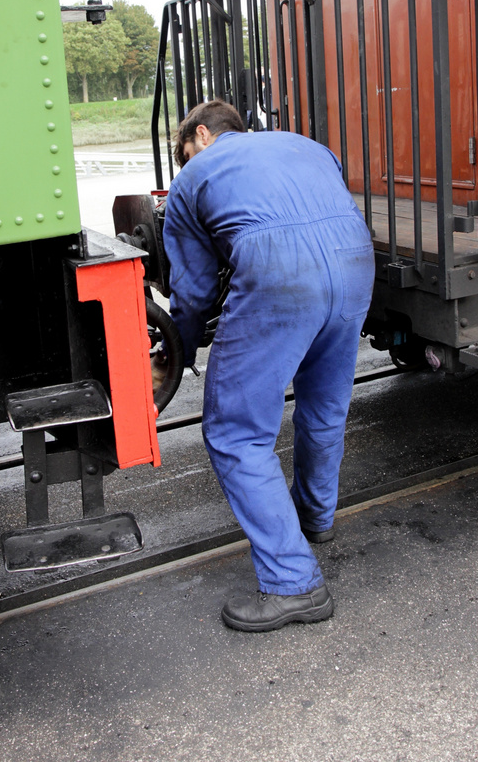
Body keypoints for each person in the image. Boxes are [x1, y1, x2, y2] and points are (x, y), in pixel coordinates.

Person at [159, 100, 374, 632]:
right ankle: (315, 519)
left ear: (202, 136)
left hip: (282, 277)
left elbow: (196, 289)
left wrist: (178, 351)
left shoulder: (194, 178)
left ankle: (292, 582)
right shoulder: (305, 144)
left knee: (236, 433)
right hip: (355, 265)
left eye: (186, 153)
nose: (187, 163)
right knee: (324, 406)